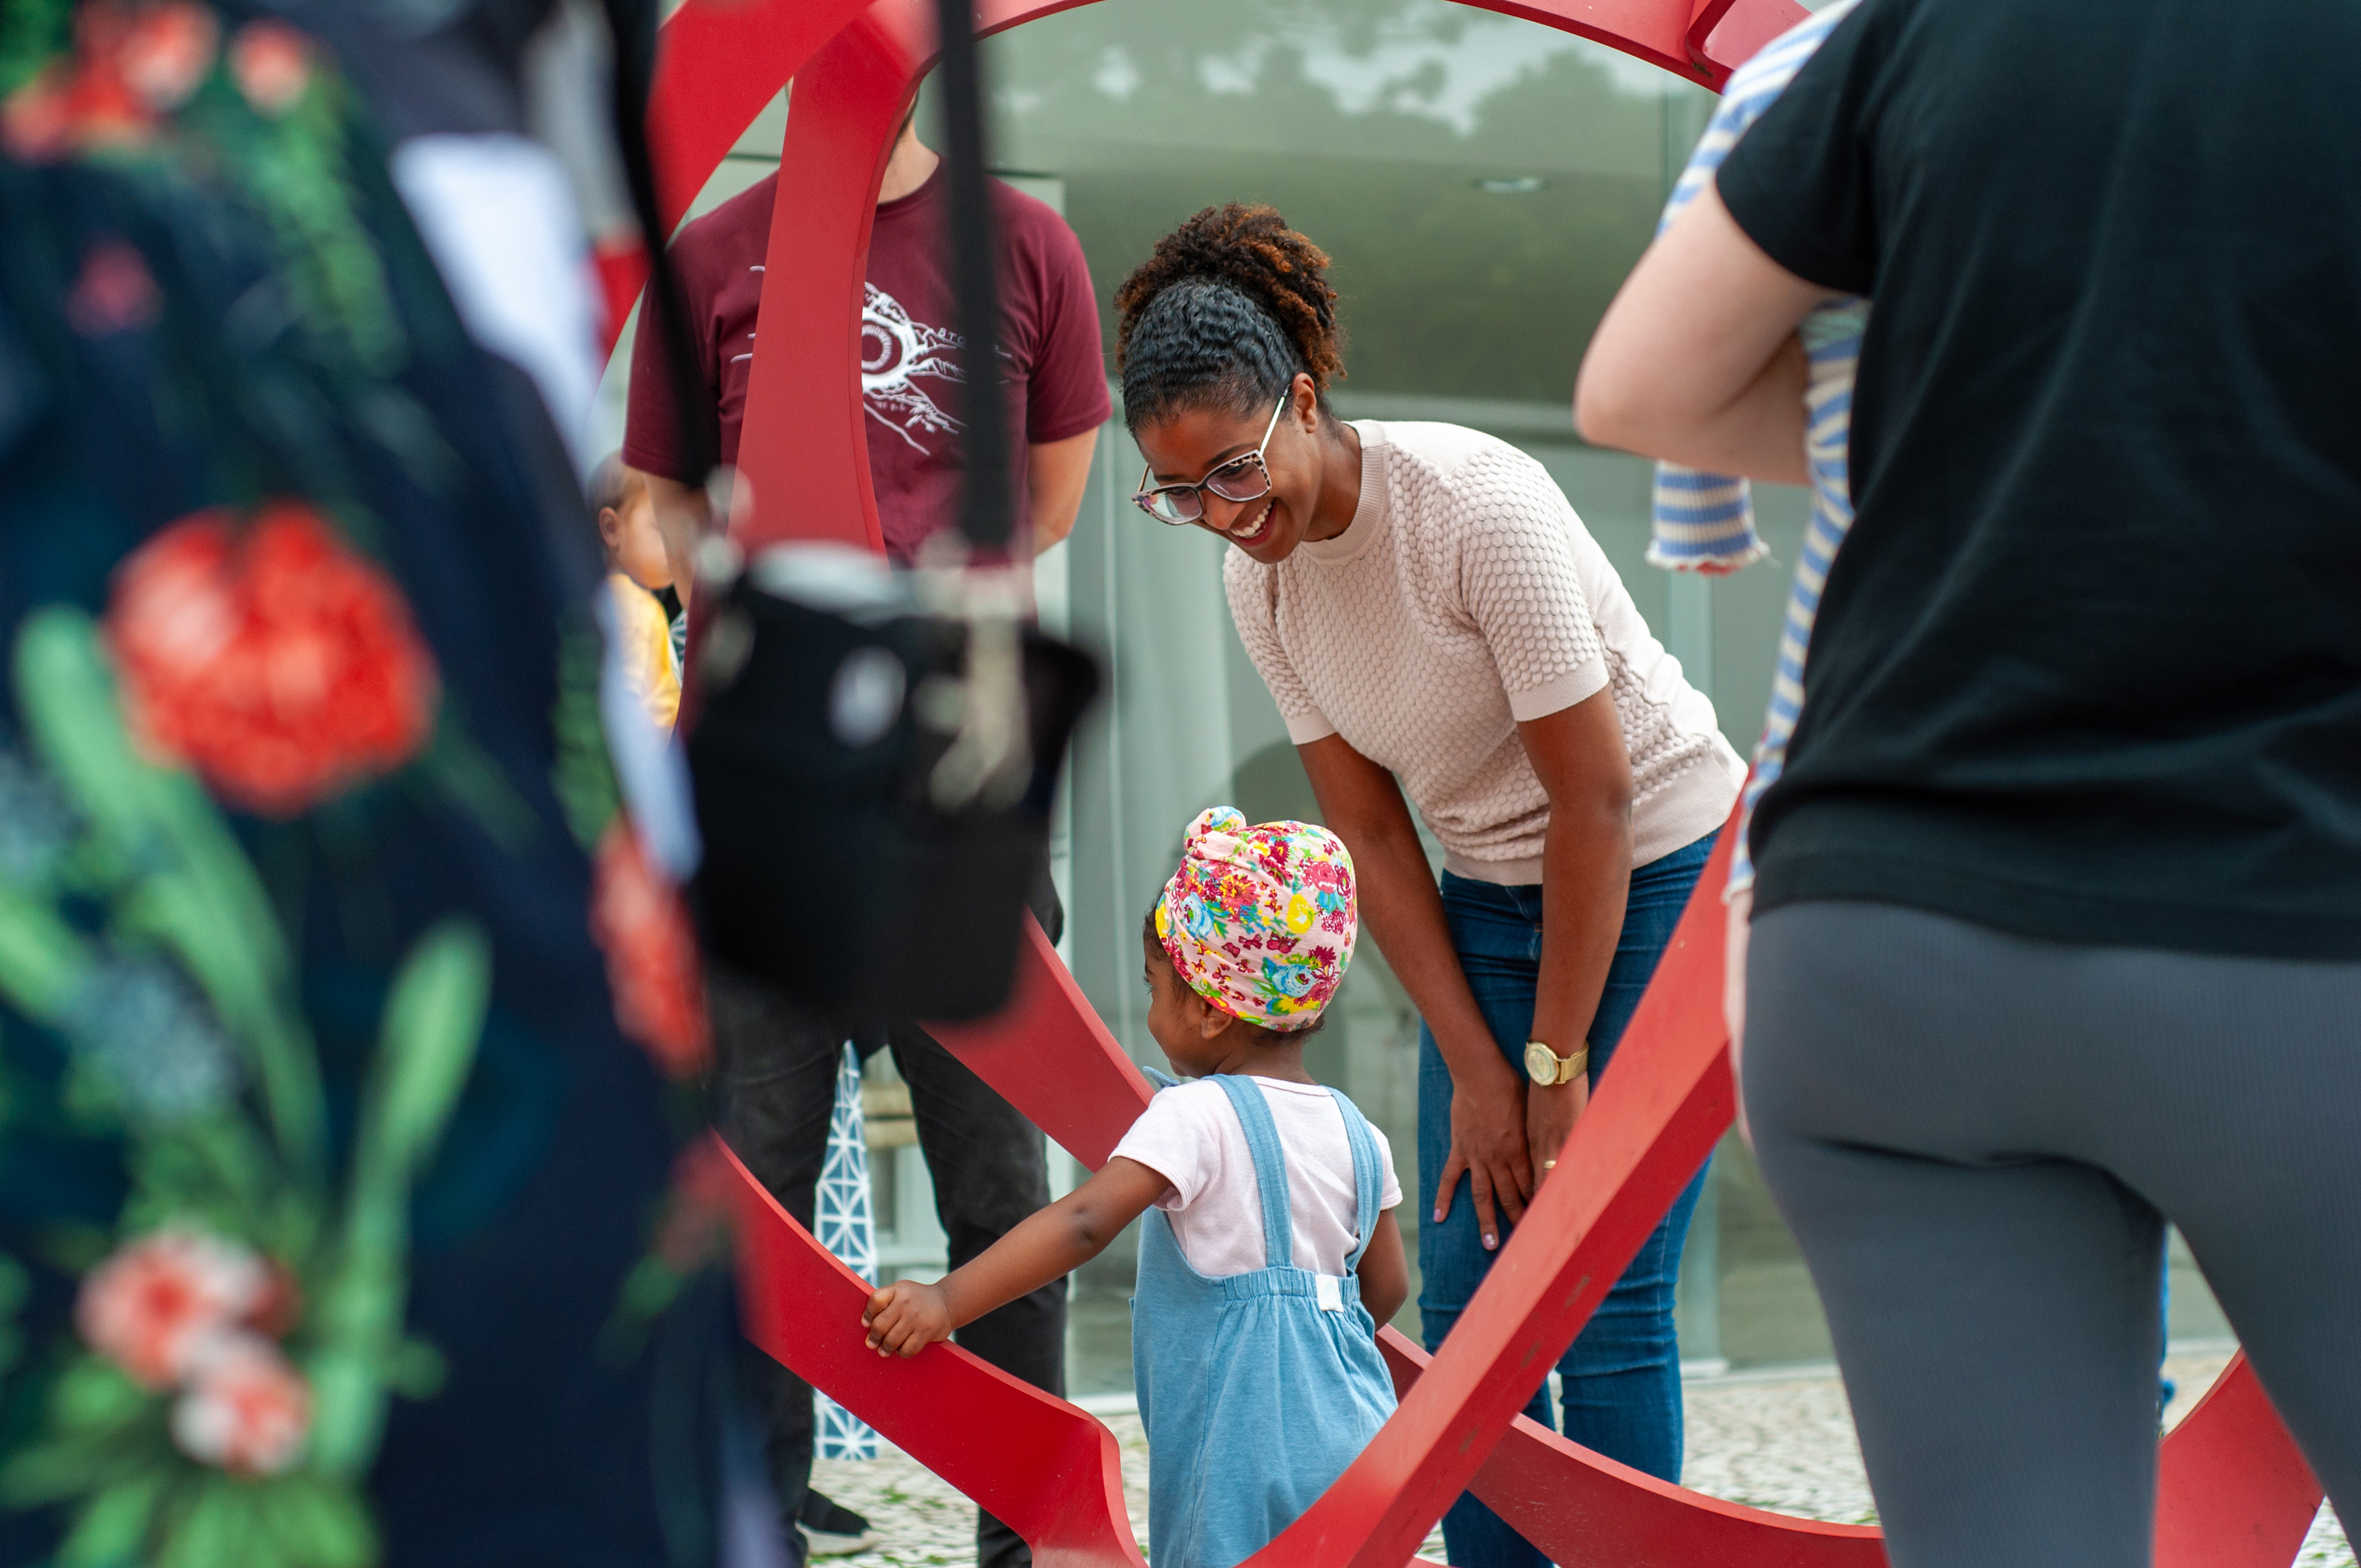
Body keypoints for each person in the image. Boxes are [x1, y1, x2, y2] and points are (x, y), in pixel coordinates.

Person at [1574, 0, 2361, 1562]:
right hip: (2287, 929)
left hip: (1883, 956)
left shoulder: (1912, 28)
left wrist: (1972, 445)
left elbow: (1642, 384)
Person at [1112, 204, 1744, 1567]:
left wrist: (1555, 1059)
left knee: (1606, 1280)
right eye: (1180, 495)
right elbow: (1375, 837)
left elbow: (1596, 800)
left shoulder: (1472, 503)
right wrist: (1478, 1062)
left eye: (1233, 469)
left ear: (1303, 398)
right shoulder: (1259, 587)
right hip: (1492, 892)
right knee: (1463, 1293)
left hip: (1664, 872)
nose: (1224, 514)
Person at [622, 92, 1111, 1568]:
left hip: (958, 781)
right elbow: (658, 511)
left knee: (997, 1185)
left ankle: (1019, 1529)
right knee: (753, 1180)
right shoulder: (709, 254)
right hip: (767, 777)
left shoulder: (1021, 243)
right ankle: (754, 1519)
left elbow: (1049, 502)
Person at [863, 809, 1406, 1568]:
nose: (1149, 1011)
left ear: (1212, 1011)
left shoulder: (1194, 1117)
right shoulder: (1360, 1133)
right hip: (1357, 1438)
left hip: (1233, 1455)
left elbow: (1085, 1221)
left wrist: (948, 1302)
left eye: (1155, 987)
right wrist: (1306, 1344)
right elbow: (1383, 1287)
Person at [589, 453, 682, 730]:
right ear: (611, 528)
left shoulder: (600, 600)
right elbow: (634, 712)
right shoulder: (636, 611)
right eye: (662, 531)